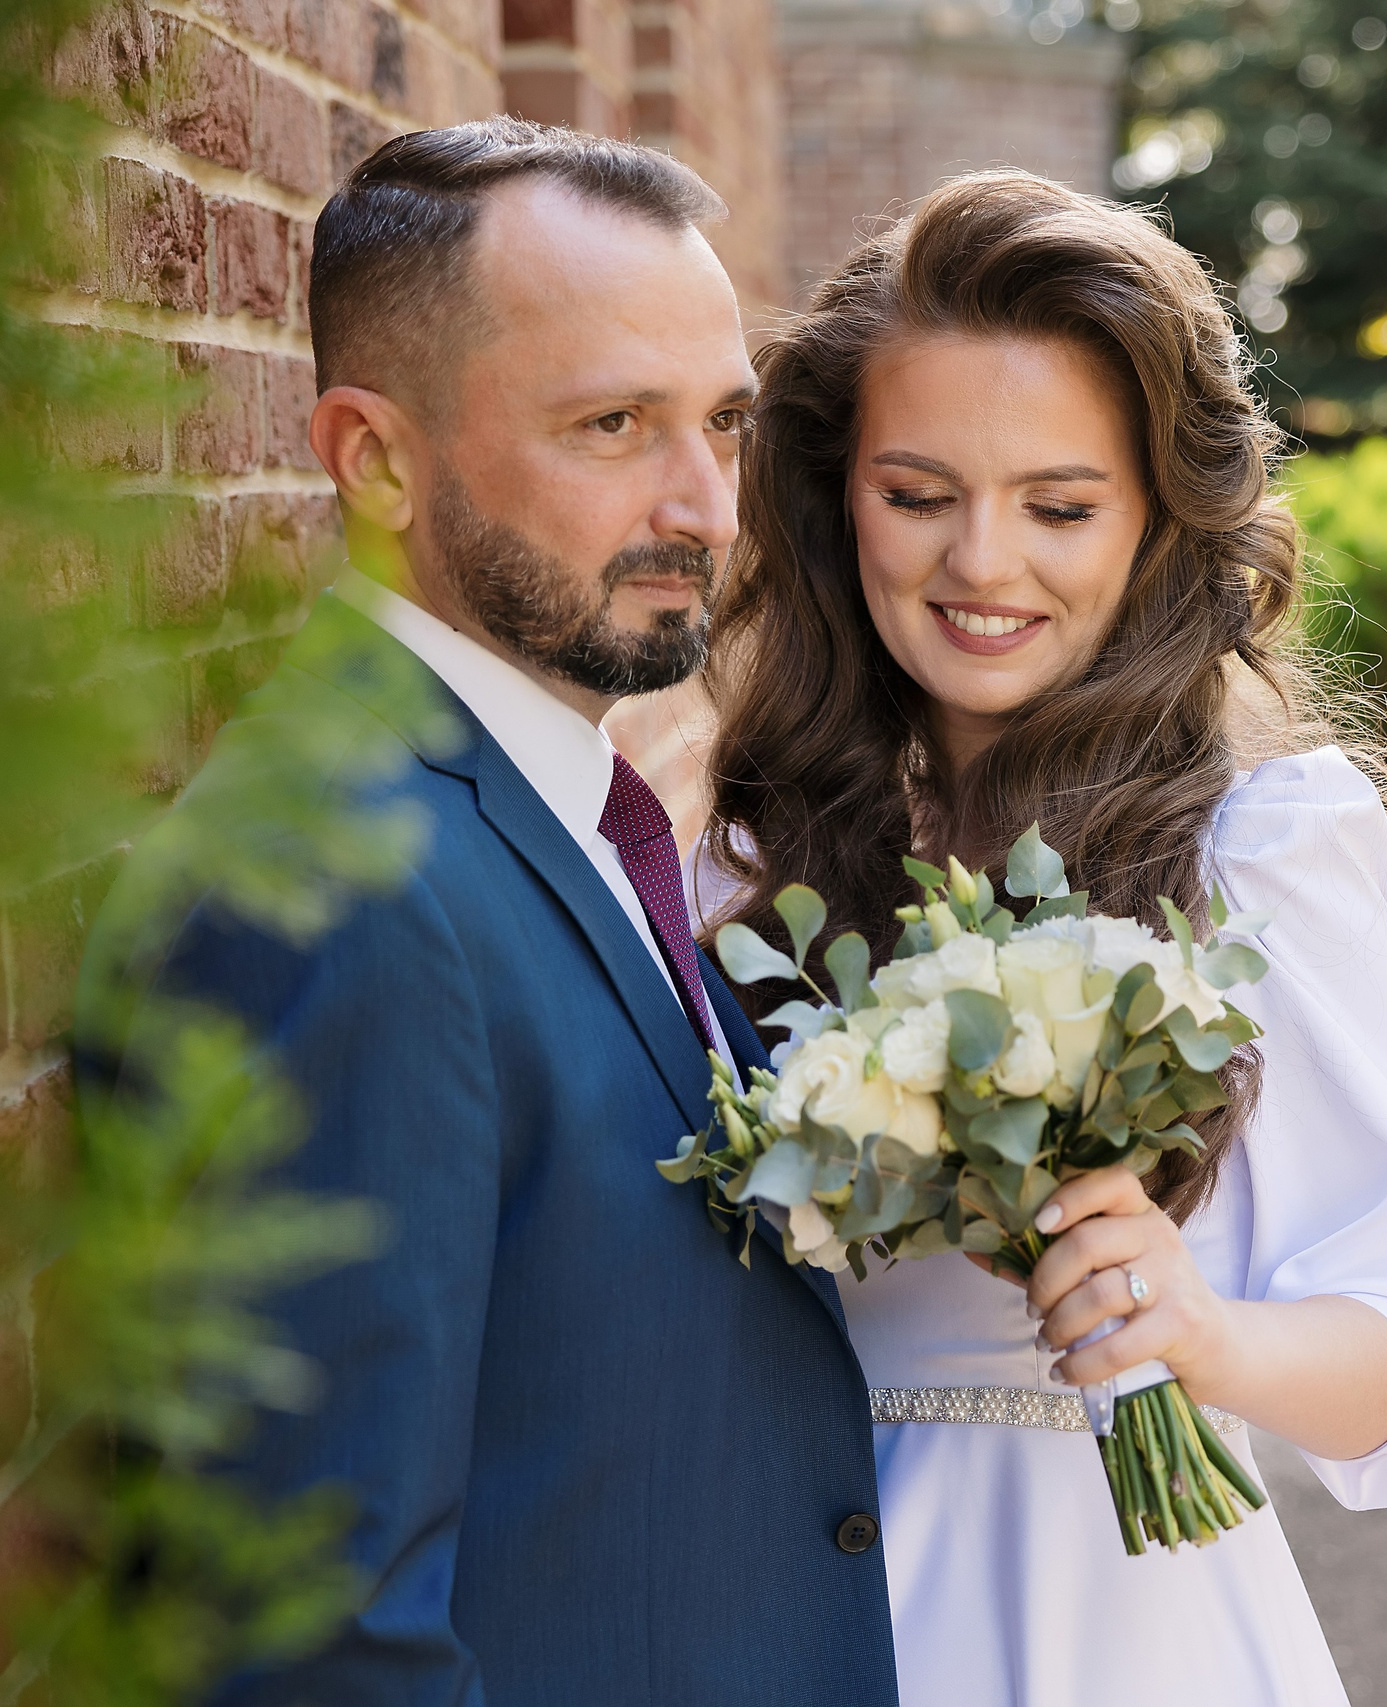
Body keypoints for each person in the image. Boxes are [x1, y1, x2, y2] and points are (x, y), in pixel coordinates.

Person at [690, 169, 1387, 1705]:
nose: (983, 563)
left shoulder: (1257, 850)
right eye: (918, 496)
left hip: (1116, 1629)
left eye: (1059, 506)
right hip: (782, 1619)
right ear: (840, 500)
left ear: (1162, 519)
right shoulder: (750, 868)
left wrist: (1207, 1337)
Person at [78, 119, 899, 1704]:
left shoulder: (556, 806)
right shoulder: (335, 896)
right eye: (612, 424)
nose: (705, 506)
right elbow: (314, 1639)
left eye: (719, 425)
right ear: (372, 457)